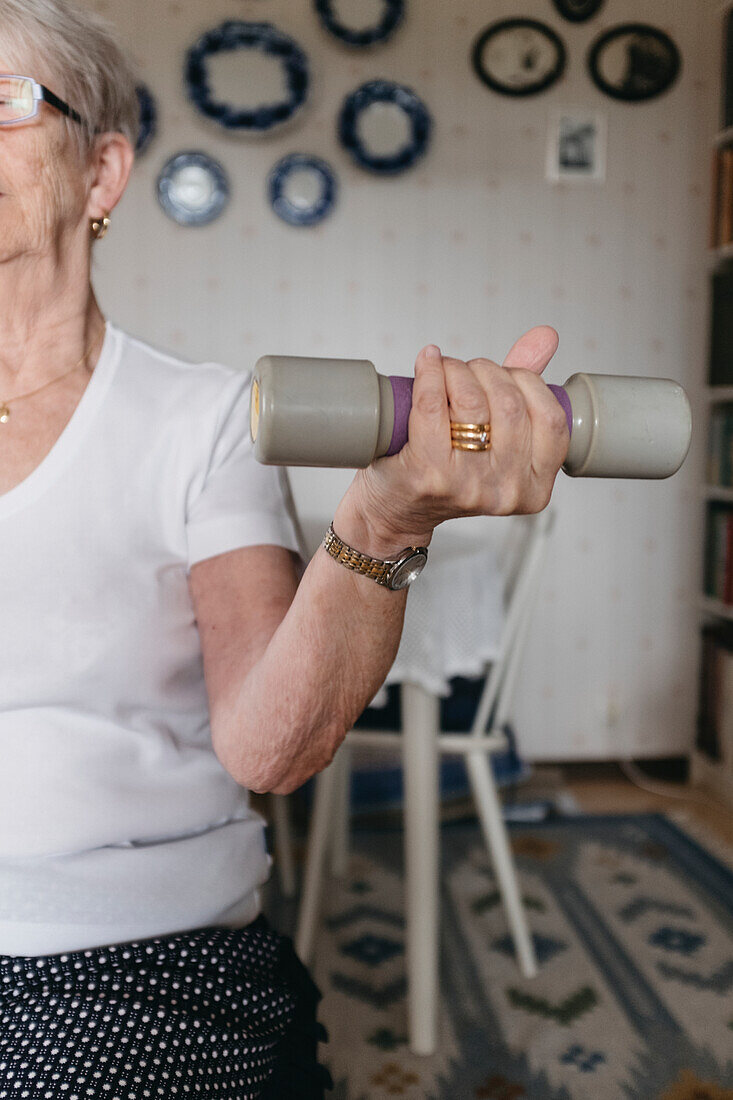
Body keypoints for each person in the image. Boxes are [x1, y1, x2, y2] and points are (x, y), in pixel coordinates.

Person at [0, 1, 570, 1096]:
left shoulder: (204, 418)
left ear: (100, 173)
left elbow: (272, 749)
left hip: (119, 957)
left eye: (6, 102)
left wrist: (383, 520)